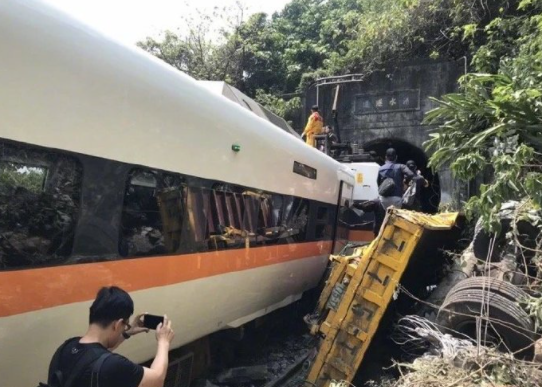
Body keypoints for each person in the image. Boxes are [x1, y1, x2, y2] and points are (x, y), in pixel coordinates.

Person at [46, 286, 175, 387]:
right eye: (125, 324)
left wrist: (126, 333)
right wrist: (164, 342)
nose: (125, 328)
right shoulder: (114, 365)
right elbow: (157, 380)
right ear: (117, 324)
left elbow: (94, 357)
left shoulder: (66, 348)